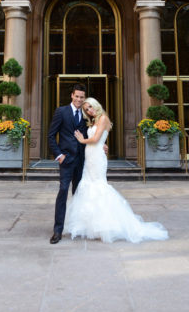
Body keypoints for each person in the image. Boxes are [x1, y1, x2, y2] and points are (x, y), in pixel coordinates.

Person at [64, 97, 169, 243]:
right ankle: (90, 225)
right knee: (88, 184)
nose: (89, 111)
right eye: (86, 109)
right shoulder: (94, 121)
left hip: (97, 157)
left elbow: (95, 139)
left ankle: (104, 226)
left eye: (90, 107)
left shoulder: (103, 119)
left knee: (99, 186)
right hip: (90, 156)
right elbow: (99, 139)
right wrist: (102, 143)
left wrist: (82, 140)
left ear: (97, 105)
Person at [48, 83, 88, 244]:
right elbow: (51, 136)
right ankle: (58, 230)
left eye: (82, 97)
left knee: (79, 194)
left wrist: (102, 144)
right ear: (72, 95)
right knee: (63, 191)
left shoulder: (87, 113)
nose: (79, 99)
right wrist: (59, 155)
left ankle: (77, 227)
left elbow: (92, 133)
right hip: (66, 160)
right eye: (77, 96)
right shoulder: (61, 111)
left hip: (82, 160)